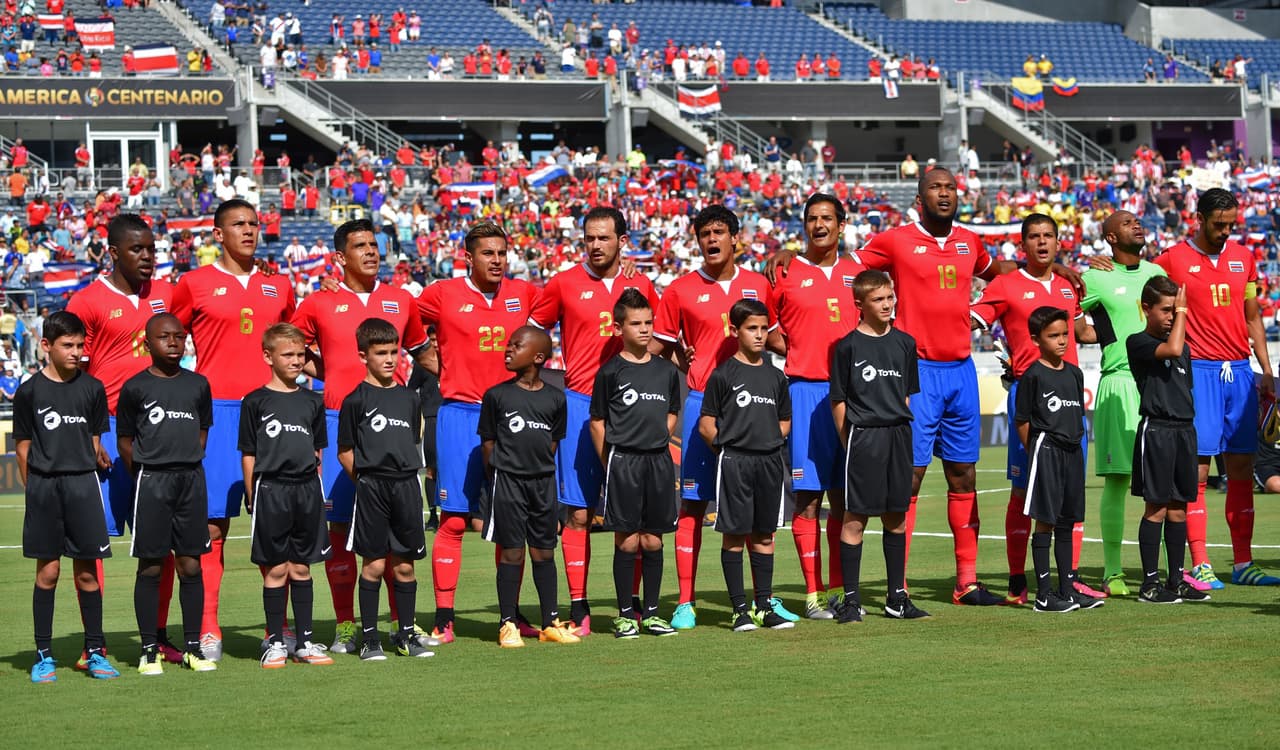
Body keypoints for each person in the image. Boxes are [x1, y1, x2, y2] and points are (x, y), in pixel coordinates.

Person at [782, 168, 1017, 605]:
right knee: (906, 480)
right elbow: (844, 267)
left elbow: (1002, 274)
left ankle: (966, 582)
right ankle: (899, 586)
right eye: (934, 188)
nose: (943, 194)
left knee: (963, 475)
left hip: (963, 370)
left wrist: (985, 311)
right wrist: (790, 254)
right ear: (919, 197)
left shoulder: (971, 242)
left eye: (949, 187)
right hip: (918, 372)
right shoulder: (894, 241)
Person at [291, 218, 427, 653]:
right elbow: (291, 350)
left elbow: (424, 352)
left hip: (393, 427)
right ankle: (347, 624)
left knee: (393, 532)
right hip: (338, 424)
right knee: (340, 527)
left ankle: (399, 625)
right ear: (339, 256)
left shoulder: (402, 299)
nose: (371, 251)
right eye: (360, 245)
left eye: (374, 244)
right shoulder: (318, 301)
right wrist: (329, 373)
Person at [172, 199, 298, 661]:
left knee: (278, 526)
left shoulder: (279, 285)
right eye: (238, 224)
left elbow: (295, 342)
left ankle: (278, 630)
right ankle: (209, 630)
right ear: (217, 233)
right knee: (211, 527)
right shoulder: (194, 283)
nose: (248, 231)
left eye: (254, 224)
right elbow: (166, 337)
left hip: (274, 414)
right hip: (219, 415)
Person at [528, 206, 658, 635]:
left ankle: (633, 603)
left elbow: (659, 341)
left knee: (636, 515)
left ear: (623, 241)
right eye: (589, 238)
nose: (596, 245)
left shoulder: (640, 286)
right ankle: (580, 605)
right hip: (581, 405)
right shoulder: (564, 282)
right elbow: (531, 334)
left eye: (604, 237)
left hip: (633, 407)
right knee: (579, 513)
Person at [651, 205, 774, 630]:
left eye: (719, 231)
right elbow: (661, 347)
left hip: (755, 407)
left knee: (757, 511)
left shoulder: (759, 284)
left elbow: (774, 336)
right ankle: (685, 601)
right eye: (704, 233)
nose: (712, 240)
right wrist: (683, 363)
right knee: (692, 502)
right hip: (703, 404)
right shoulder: (680, 290)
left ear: (735, 237)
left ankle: (762, 601)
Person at [65, 214, 181, 664]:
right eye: (137, 250)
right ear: (113, 252)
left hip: (163, 434)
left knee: (164, 542)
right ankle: (94, 643)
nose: (148, 257)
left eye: (152, 249)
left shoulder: (168, 294)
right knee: (91, 543)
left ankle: (158, 635)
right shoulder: (89, 300)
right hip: (109, 432)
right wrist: (91, 434)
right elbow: (75, 374)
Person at [969, 213, 1100, 604]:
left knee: (1070, 491)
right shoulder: (1006, 285)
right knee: (1022, 489)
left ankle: (1069, 581)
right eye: (1034, 237)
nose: (1042, 242)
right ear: (1022, 245)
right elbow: (973, 321)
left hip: (1070, 398)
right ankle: (1016, 579)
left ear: (1059, 242)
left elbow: (1083, 333)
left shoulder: (1067, 287)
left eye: (1049, 236)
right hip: (1029, 395)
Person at [417, 221, 538, 643]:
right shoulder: (442, 294)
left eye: (502, 253)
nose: (497, 260)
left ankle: (511, 613)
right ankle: (444, 618)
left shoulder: (524, 294)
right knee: (452, 520)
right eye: (488, 253)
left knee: (514, 524)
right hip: (460, 416)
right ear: (468, 257)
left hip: (512, 418)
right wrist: (437, 364)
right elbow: (404, 321)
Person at [1152, 189, 1278, 588]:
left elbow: (1252, 316)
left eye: (1231, 225)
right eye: (1218, 224)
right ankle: (1201, 561)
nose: (1226, 231)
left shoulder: (1245, 257)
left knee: (1242, 470)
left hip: (1240, 373)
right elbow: (1143, 287)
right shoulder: (1173, 259)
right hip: (1198, 373)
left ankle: (1243, 563)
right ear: (1200, 218)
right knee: (1198, 470)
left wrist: (1267, 370)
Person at [765, 193, 864, 619]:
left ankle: (842, 591)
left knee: (845, 500)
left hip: (852, 395)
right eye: (811, 218)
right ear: (803, 226)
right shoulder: (785, 271)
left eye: (826, 218)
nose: (819, 224)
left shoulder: (858, 273)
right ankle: (812, 595)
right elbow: (763, 327)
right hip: (804, 393)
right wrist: (798, 349)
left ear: (841, 225)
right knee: (808, 498)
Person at [17, 311, 118, 683]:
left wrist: (96, 456)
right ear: (46, 346)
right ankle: (43, 655)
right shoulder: (29, 392)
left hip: (83, 487)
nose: (76, 352)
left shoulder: (92, 389)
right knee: (48, 572)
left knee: (88, 573)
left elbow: (93, 442)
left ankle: (95, 651)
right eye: (67, 345)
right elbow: (24, 448)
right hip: (45, 489)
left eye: (80, 345)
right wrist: (35, 491)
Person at [116, 313, 217, 675]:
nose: (173, 342)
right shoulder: (135, 387)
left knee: (191, 565)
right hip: (152, 482)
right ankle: (148, 650)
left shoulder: (198, 384)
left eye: (179, 336)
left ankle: (193, 648)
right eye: (164, 337)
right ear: (148, 343)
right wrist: (145, 470)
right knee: (152, 566)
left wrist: (187, 459)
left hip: (191, 480)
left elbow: (203, 431)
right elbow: (125, 440)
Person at [828, 270, 929, 622]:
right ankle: (852, 601)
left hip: (898, 434)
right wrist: (849, 439)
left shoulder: (904, 343)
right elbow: (838, 401)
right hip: (863, 437)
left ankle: (896, 598)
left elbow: (905, 395)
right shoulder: (846, 347)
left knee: (896, 517)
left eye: (889, 297)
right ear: (860, 304)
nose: (887, 305)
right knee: (855, 519)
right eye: (879, 300)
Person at [1079, 210, 1167, 595]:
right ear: (1111, 237)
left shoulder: (1156, 274)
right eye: (1128, 223)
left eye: (1138, 221)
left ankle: (1166, 570)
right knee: (1117, 481)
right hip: (1119, 383)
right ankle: (1112, 571)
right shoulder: (1095, 276)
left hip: (1159, 384)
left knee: (1163, 483)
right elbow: (1075, 319)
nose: (1138, 225)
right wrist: (1095, 333)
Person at [239, 323, 337, 668]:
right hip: (271, 490)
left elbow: (317, 452)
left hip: (307, 490)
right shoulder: (255, 401)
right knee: (276, 569)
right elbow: (248, 453)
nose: (297, 361)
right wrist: (252, 494)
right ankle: (276, 641)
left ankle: (306, 642)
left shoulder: (313, 400)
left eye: (301, 355)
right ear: (268, 356)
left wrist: (315, 490)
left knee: (302, 568)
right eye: (289, 355)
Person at [338, 318, 435, 660]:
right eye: (381, 353)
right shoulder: (355, 400)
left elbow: (412, 441)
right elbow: (345, 451)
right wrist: (366, 482)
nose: (390, 359)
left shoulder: (410, 398)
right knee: (374, 565)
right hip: (372, 488)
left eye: (394, 351)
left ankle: (406, 635)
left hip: (407, 485)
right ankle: (369, 639)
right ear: (364, 356)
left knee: (405, 566)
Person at [697, 299, 794, 632]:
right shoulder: (724, 374)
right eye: (752, 328)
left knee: (765, 535)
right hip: (735, 462)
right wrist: (729, 449)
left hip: (769, 462)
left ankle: (764, 607)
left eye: (764, 329)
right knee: (735, 536)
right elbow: (706, 424)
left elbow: (785, 422)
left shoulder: (775, 376)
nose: (759, 335)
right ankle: (739, 610)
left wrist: (766, 439)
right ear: (735, 330)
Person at [589, 289, 681, 639]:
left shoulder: (665, 371)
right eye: (636, 324)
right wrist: (608, 458)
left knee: (654, 541)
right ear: (619, 328)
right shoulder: (610, 372)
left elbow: (673, 411)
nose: (644, 330)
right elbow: (598, 421)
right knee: (627, 541)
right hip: (622, 461)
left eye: (648, 323)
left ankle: (653, 613)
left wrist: (658, 434)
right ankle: (626, 613)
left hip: (657, 461)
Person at [480, 326, 579, 648]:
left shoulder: (555, 398)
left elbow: (552, 443)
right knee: (511, 552)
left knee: (544, 552)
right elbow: (488, 444)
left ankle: (550, 621)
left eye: (516, 345)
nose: (508, 349)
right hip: (508, 483)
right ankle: (507, 623)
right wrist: (507, 470)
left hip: (543, 483)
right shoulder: (497, 395)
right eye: (508, 345)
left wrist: (535, 468)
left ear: (538, 356)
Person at [1128, 277, 1209, 604]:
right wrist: (1185, 309)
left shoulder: (1184, 348)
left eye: (1175, 311)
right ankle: (1149, 585)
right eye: (1166, 310)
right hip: (1157, 430)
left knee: (1179, 509)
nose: (1172, 316)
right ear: (1146, 308)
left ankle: (1175, 580)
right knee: (1157, 507)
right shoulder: (1138, 342)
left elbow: (1180, 362)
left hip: (1184, 431)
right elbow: (1173, 347)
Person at [1013, 307, 1100, 613]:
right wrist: (1036, 448)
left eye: (1065, 334)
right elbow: (1022, 420)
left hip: (1073, 452)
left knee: (1067, 522)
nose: (1062, 340)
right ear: (1037, 339)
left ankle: (1067, 590)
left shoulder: (1075, 374)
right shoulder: (1033, 376)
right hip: (1046, 451)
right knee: (1046, 521)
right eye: (1054, 336)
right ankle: (1044, 595)